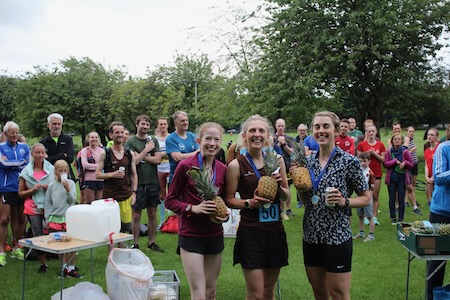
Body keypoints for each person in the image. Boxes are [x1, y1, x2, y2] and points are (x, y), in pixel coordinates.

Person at [297, 111, 370, 300]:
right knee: (319, 293)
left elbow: (365, 197)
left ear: (336, 130)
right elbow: (307, 202)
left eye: (326, 126)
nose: (321, 131)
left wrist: (345, 201)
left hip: (337, 236)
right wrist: (300, 188)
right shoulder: (308, 163)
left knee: (339, 294)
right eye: (317, 127)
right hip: (311, 236)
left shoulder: (349, 161)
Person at [225, 114, 290, 300]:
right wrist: (249, 203)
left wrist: (279, 188)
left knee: (269, 292)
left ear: (268, 135)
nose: (257, 134)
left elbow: (287, 196)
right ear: (244, 135)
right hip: (251, 232)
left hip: (275, 230)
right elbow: (229, 199)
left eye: (261, 130)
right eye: (252, 130)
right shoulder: (236, 165)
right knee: (256, 294)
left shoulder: (277, 161)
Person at [165, 122, 228, 300]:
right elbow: (170, 200)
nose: (212, 143)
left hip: (214, 234)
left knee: (211, 292)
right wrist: (193, 208)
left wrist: (223, 214)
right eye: (208, 138)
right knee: (199, 294)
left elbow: (224, 199)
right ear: (199, 140)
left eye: (216, 140)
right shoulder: (186, 166)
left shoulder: (222, 169)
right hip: (191, 235)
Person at [96, 121, 138, 249]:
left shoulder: (129, 154)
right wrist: (111, 175)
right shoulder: (106, 153)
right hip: (110, 199)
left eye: (122, 132)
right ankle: (112, 259)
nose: (120, 135)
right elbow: (97, 174)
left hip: (126, 196)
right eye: (117, 133)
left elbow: (134, 174)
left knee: (124, 230)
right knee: (112, 232)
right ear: (111, 135)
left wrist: (134, 192)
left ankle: (123, 257)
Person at [126, 115, 164, 252]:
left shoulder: (153, 140)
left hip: (153, 181)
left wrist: (141, 155)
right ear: (137, 125)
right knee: (136, 214)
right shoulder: (130, 141)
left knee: (152, 213)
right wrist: (147, 151)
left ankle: (151, 242)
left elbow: (158, 160)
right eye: (143, 124)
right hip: (137, 183)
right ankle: (135, 243)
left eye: (147, 124)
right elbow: (133, 162)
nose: (145, 127)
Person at [18, 143, 54, 272]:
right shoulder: (26, 172)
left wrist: (49, 187)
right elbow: (20, 193)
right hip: (32, 208)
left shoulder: (51, 169)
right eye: (37, 153)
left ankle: (56, 257)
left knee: (52, 233)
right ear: (32, 154)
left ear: (45, 154)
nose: (40, 155)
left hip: (49, 206)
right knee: (37, 235)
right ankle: (43, 263)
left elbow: (58, 186)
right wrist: (33, 189)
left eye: (42, 152)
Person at [0, 121, 30, 266]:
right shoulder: (1, 147)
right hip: (7, 187)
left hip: (21, 187)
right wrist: (19, 163)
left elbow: (28, 164)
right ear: (5, 134)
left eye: (16, 132)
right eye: (11, 132)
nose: (14, 135)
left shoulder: (24, 147)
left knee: (20, 218)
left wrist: (13, 162)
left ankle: (17, 247)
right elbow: (3, 164)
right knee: (4, 219)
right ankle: (1, 251)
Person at [44, 160, 80, 277]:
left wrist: (68, 190)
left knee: (72, 244)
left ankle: (71, 267)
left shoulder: (71, 183)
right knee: (60, 245)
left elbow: (72, 200)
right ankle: (64, 267)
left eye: (65, 170)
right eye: (60, 171)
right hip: (56, 218)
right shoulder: (52, 185)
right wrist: (47, 218)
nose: (63, 173)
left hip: (69, 218)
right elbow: (48, 203)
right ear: (55, 172)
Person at [426, 130, 450, 299]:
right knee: (436, 260)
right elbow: (439, 177)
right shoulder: (443, 148)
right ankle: (432, 296)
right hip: (441, 211)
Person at [357, 125, 386, 226]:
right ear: (366, 133)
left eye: (373, 131)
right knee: (365, 195)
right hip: (364, 174)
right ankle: (365, 216)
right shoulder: (361, 144)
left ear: (376, 132)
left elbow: (383, 159)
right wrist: (368, 153)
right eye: (369, 131)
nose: (371, 133)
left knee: (375, 195)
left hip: (377, 172)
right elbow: (358, 158)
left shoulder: (380, 144)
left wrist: (375, 154)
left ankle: (374, 217)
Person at [383, 133, 414, 224]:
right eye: (395, 139)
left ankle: (401, 218)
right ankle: (393, 217)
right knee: (392, 198)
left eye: (399, 139)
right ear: (392, 141)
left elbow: (412, 164)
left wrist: (405, 163)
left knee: (401, 198)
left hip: (402, 179)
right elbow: (385, 164)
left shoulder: (405, 152)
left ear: (402, 141)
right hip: (392, 178)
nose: (397, 141)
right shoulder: (389, 152)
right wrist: (394, 161)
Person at [166, 111, 199, 183]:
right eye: (182, 121)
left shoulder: (193, 136)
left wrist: (185, 155)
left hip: (193, 179)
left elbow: (202, 154)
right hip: (177, 178)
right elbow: (177, 158)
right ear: (175, 123)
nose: (185, 122)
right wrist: (196, 153)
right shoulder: (171, 138)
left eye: (186, 120)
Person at [40, 113, 75, 180]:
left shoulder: (68, 139)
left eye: (59, 124)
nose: (56, 126)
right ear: (48, 125)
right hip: (50, 175)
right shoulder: (44, 142)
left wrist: (51, 157)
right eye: (54, 124)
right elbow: (45, 161)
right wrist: (61, 155)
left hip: (66, 175)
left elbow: (70, 158)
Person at [273, 118, 294, 219]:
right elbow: (270, 151)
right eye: (279, 125)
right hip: (277, 166)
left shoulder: (289, 138)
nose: (280, 127)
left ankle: (289, 208)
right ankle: (282, 210)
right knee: (280, 187)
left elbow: (291, 152)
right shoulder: (272, 138)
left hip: (287, 165)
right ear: (276, 126)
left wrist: (284, 144)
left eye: (282, 126)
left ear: (284, 126)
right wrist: (278, 144)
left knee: (288, 188)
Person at [353, 152, 376, 242]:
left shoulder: (370, 173)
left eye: (364, 161)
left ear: (369, 161)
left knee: (369, 216)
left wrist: (369, 197)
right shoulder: (358, 171)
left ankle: (371, 235)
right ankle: (361, 232)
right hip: (358, 197)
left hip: (366, 198)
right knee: (360, 215)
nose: (362, 163)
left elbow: (372, 187)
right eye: (360, 161)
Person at [80, 132, 104, 204]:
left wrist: (95, 166)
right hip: (89, 179)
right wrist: (98, 166)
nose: (94, 139)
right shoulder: (84, 151)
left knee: (99, 203)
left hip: (100, 179)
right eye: (92, 137)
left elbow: (104, 164)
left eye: (96, 137)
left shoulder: (102, 151)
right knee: (89, 203)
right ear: (88, 139)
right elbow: (85, 165)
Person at [156, 117, 170, 228]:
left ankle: (175, 218)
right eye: (161, 124)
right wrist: (163, 154)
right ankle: (162, 219)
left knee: (174, 193)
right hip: (159, 169)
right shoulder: (155, 139)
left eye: (165, 124)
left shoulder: (171, 138)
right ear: (158, 126)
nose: (163, 126)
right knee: (161, 195)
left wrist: (162, 154)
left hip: (171, 169)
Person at [405, 126, 422, 214]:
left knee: (414, 182)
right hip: (409, 165)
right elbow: (404, 152)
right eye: (410, 131)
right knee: (409, 184)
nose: (411, 133)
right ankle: (406, 201)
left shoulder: (412, 140)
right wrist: (412, 150)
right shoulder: (406, 140)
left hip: (415, 163)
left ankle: (413, 199)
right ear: (407, 132)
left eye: (413, 131)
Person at [424, 128, 440, 205]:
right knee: (430, 200)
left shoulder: (440, 147)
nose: (429, 136)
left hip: (439, 176)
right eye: (428, 134)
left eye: (432, 135)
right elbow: (426, 164)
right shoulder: (427, 150)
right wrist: (427, 177)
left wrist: (434, 176)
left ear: (436, 136)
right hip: (430, 178)